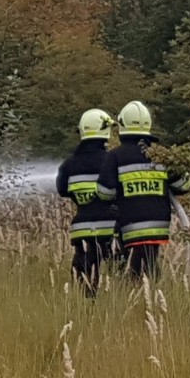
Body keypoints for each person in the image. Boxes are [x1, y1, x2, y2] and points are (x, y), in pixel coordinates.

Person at [96, 100, 190, 281]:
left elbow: (104, 193)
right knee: (148, 261)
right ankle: (150, 290)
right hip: (159, 225)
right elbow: (183, 186)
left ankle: (137, 292)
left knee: (134, 268)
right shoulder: (161, 155)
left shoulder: (115, 156)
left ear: (122, 124)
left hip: (129, 223)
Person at [56, 108, 118, 297]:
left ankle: (88, 309)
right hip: (110, 230)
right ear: (105, 131)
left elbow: (62, 191)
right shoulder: (111, 160)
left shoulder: (68, 165)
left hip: (82, 230)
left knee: (86, 281)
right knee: (121, 273)